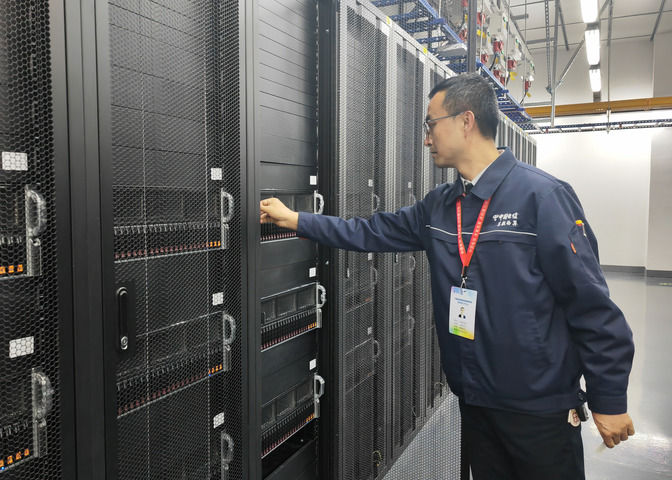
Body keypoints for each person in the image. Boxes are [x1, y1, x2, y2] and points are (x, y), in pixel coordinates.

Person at [259, 73, 635, 479]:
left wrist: (609, 397)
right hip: (476, 399)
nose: (426, 139)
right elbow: (370, 231)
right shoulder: (441, 205)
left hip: (538, 409)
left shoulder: (541, 197)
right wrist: (297, 220)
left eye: (431, 124)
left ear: (465, 121)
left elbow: (590, 304)